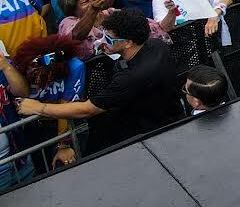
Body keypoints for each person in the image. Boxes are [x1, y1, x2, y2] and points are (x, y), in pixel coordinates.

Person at [17, 8, 181, 151]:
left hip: (147, 138)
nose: (102, 41)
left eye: (108, 39)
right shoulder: (157, 46)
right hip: (174, 121)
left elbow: (86, 109)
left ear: (128, 43)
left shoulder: (130, 78)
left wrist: (39, 107)